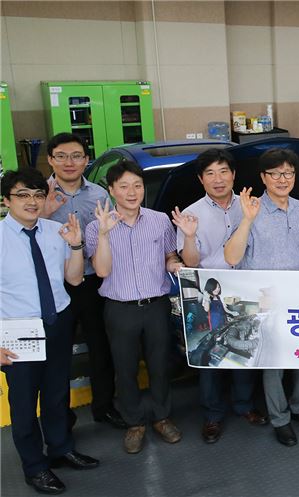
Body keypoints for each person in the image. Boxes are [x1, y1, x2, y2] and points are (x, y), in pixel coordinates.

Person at [2, 168, 98, 494]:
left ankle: (60, 448)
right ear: (6, 200)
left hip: (57, 321)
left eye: (38, 195)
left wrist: (76, 246)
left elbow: (74, 279)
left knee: (57, 393)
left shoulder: (57, 231)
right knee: (24, 403)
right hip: (18, 331)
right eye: (23, 195)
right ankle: (35, 467)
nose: (32, 201)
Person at [224, 148, 299, 446]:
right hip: (264, 299)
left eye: (288, 173)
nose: (283, 179)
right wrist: (246, 221)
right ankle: (280, 419)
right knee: (273, 363)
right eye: (276, 174)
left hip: (297, 295)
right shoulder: (250, 209)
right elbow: (231, 257)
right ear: (263, 177)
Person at [84, 159, 183, 454]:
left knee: (160, 365)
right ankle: (134, 423)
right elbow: (101, 270)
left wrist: (174, 264)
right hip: (120, 308)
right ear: (111, 190)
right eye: (124, 186)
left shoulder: (159, 220)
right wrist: (104, 235)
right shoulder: (96, 226)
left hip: (156, 305)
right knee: (125, 368)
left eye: (137, 186)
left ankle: (162, 417)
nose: (132, 192)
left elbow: (169, 255)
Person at [174, 148, 267, 444]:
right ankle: (212, 415)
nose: (218, 179)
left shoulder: (250, 205)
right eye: (210, 173)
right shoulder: (191, 214)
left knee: (244, 347)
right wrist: (190, 236)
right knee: (209, 349)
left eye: (223, 171)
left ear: (234, 175)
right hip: (211, 293)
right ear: (201, 179)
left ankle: (245, 405)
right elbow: (190, 262)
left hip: (244, 287)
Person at [39, 133, 125, 429]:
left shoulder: (99, 194)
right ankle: (61, 418)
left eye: (76, 156)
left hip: (92, 282)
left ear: (86, 160)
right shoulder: (39, 195)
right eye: (61, 156)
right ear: (50, 160)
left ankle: (104, 407)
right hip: (55, 284)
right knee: (57, 354)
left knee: (101, 347)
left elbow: (109, 235)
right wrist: (44, 212)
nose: (69, 162)